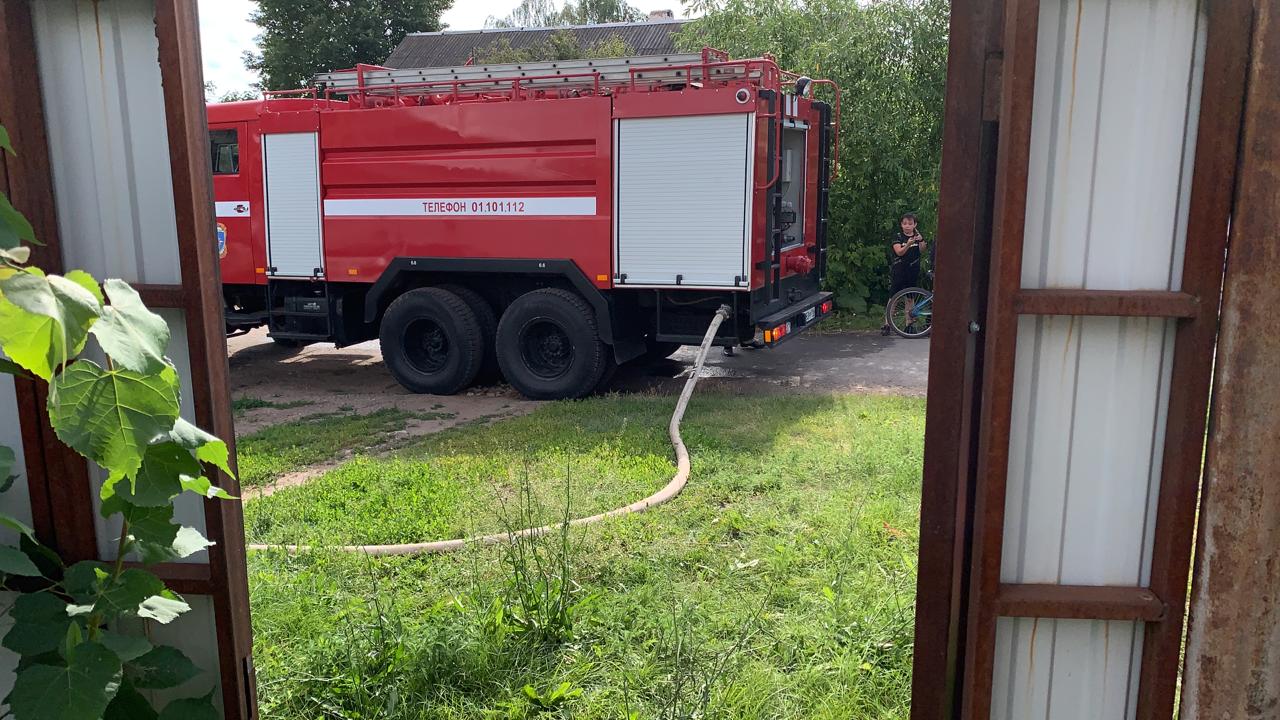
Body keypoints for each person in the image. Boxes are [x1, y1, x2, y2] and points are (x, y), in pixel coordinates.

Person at [882, 213, 928, 336]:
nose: (907, 226)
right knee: (894, 297)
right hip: (899, 270)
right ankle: (887, 324)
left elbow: (922, 250)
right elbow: (899, 252)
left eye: (910, 224)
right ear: (901, 225)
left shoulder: (917, 236)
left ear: (915, 225)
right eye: (905, 224)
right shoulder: (898, 237)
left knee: (910, 297)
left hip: (913, 270)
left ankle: (909, 324)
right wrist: (908, 244)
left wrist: (922, 240)